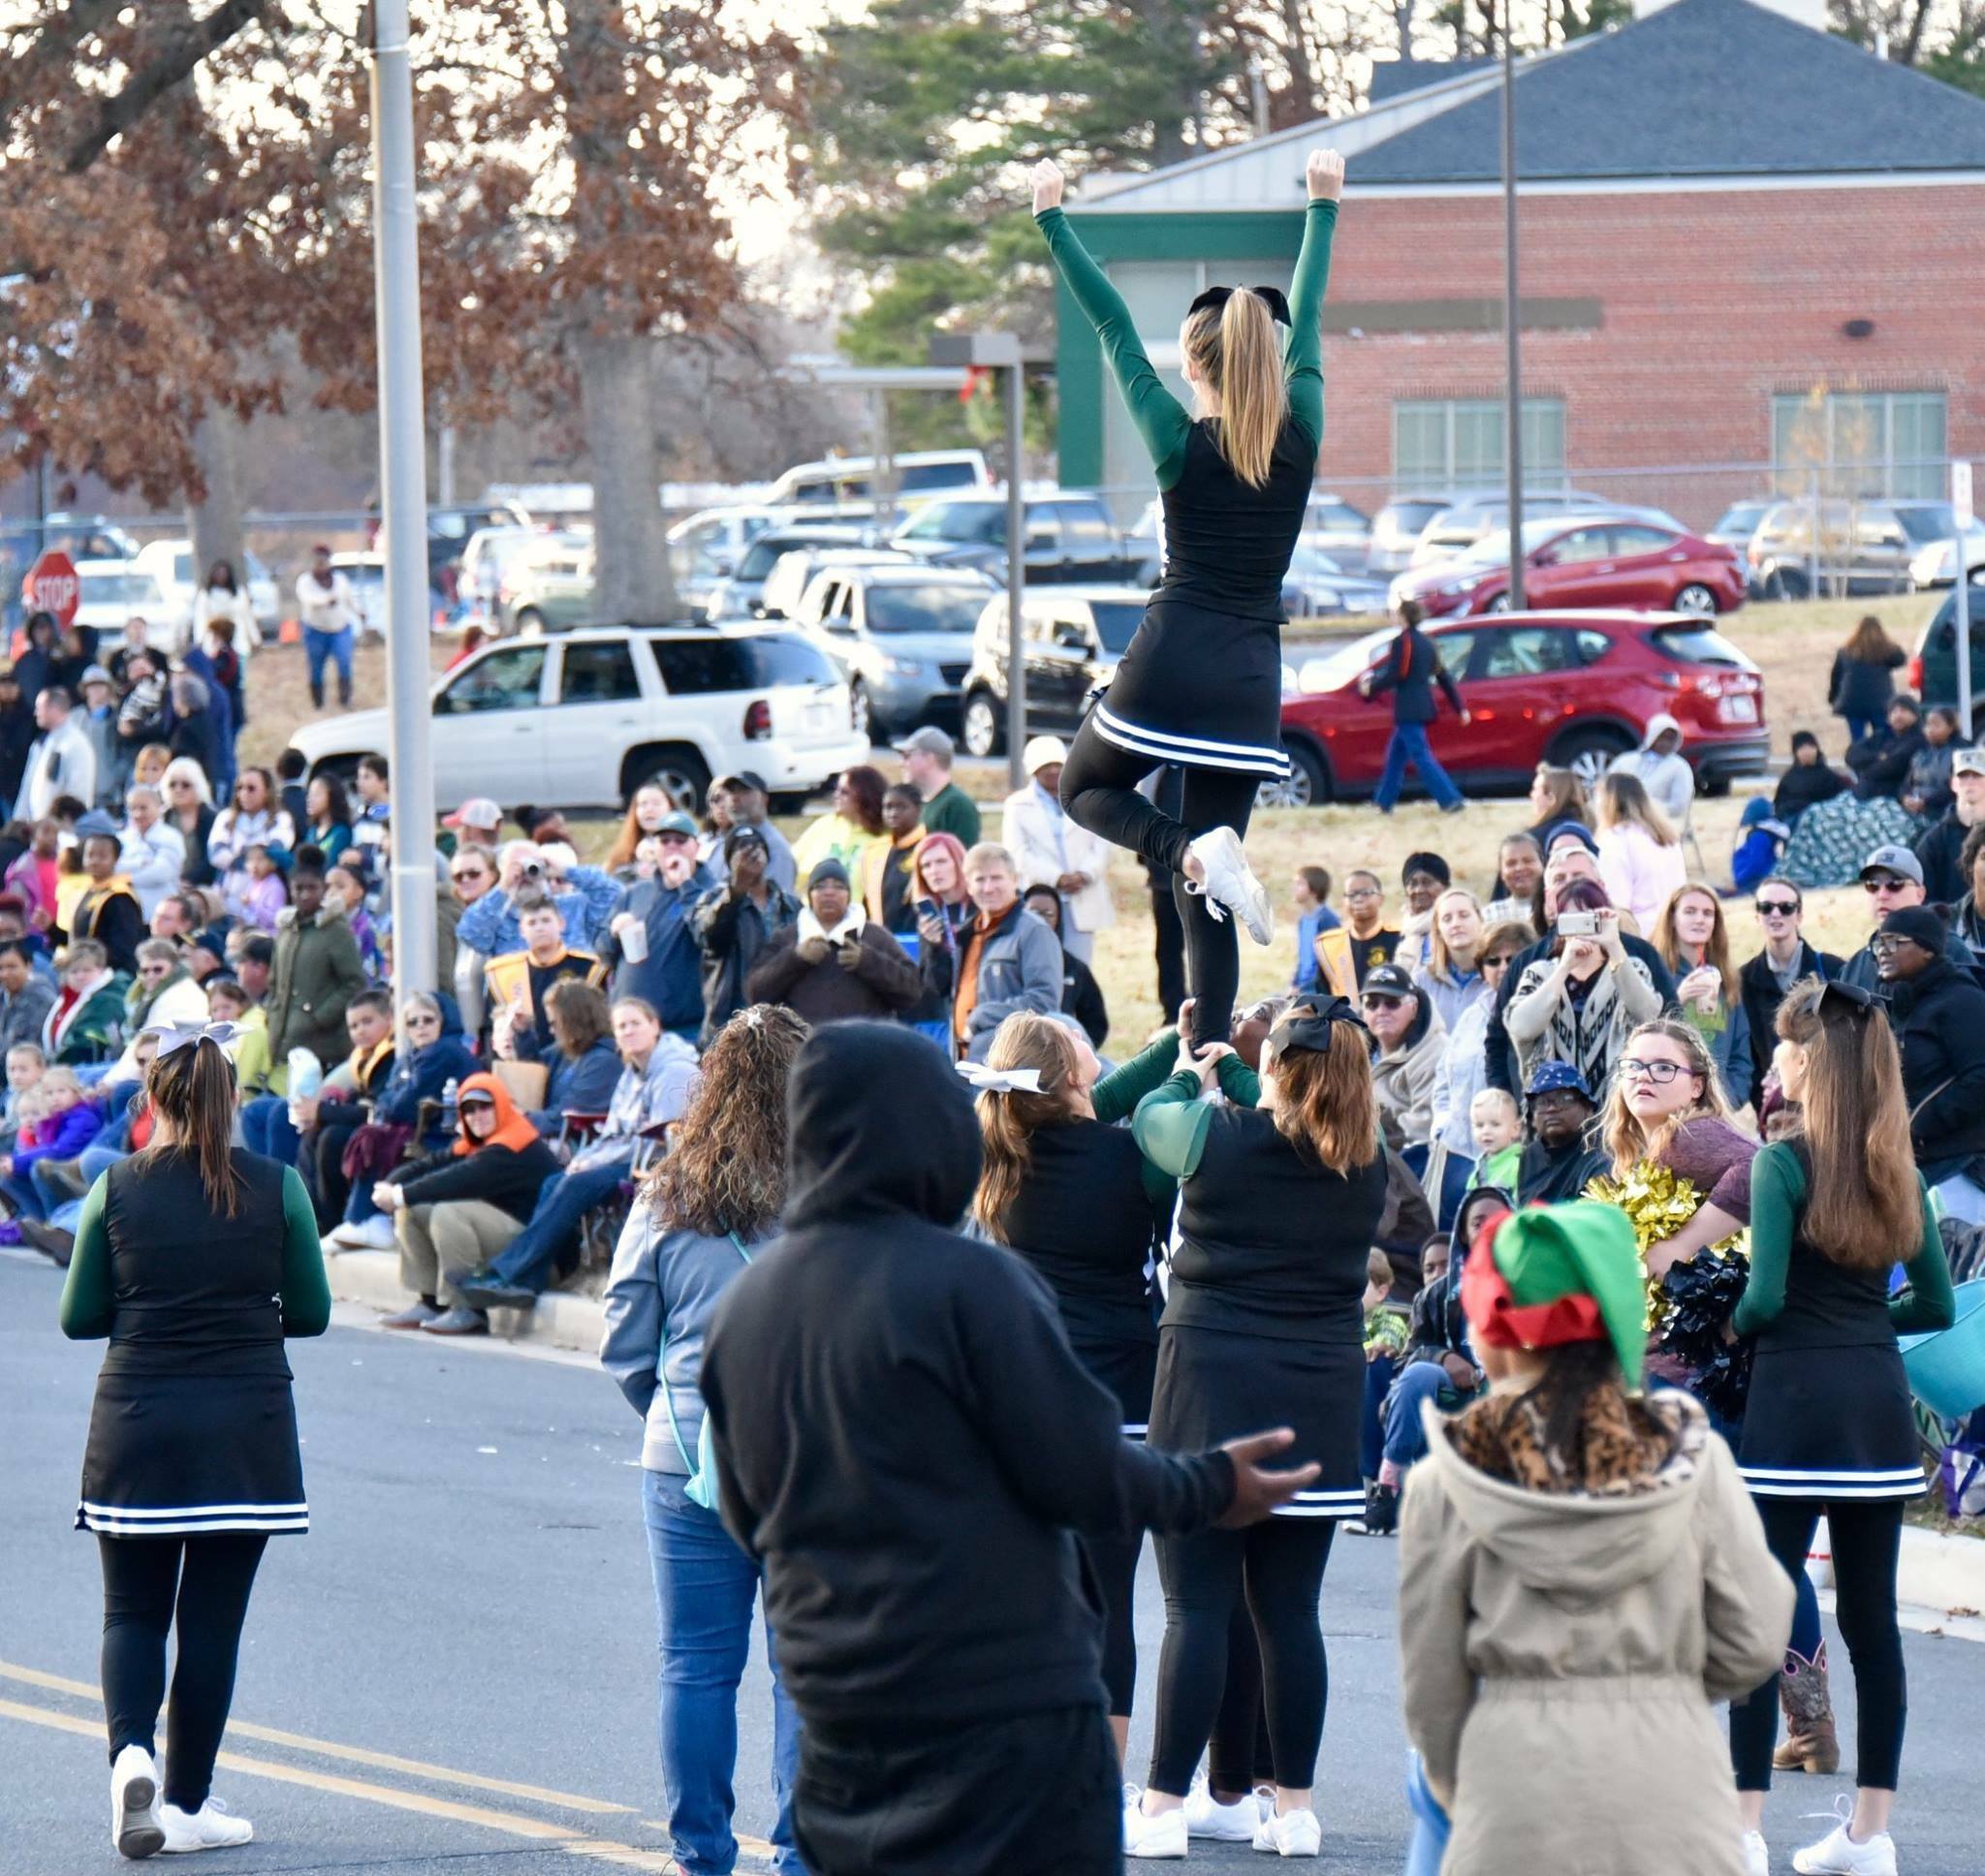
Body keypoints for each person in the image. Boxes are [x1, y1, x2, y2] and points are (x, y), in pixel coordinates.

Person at [699, 1020, 1313, 1876]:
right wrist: (1210, 1485)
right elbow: (1082, 1471)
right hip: (1003, 1728)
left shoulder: (750, 1306)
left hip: (844, 1728)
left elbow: (744, 1510)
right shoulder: (971, 1285)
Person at [1034, 148, 1341, 1048]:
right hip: (1249, 678)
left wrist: (1053, 218)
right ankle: (1209, 1053)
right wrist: (1322, 206)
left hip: (1168, 661)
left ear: (1196, 365)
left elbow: (1112, 327)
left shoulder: (1175, 440)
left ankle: (1182, 851)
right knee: (1218, 867)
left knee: (1090, 787)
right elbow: (1311, 309)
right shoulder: (1305, 434)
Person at [1400, 1201, 1792, 1876]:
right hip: (1677, 1797)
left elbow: (1433, 1690)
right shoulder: (1690, 1456)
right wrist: (1662, 1689)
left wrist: (1464, 1791)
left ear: (1494, 1329)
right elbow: (1755, 1636)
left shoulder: (1448, 1477)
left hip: (1512, 1800)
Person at [1123, 994, 1387, 1858]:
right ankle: (1296, 1810)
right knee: (1291, 1613)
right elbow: (1283, 1101)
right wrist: (1234, 1067)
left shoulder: (1213, 1136)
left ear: (1279, 1071)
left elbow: (1156, 1119)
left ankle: (1162, 1806)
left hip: (1209, 1391)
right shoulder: (1370, 1160)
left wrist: (1186, 1071)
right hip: (1315, 1396)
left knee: (1193, 1609)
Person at [59, 1021, 329, 1858]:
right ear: (232, 1099)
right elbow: (313, 1313)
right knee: (212, 1624)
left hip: (136, 1419)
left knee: (131, 1612)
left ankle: (131, 1754)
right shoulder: (278, 1184)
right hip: (245, 1430)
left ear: (151, 1100)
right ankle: (186, 1804)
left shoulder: (116, 1187)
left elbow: (78, 1317)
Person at [1728, 979, 1956, 1876]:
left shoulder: (1779, 1165)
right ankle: (1870, 1836)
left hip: (1791, 1412)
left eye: (1788, 1048)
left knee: (1757, 1614)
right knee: (1874, 1628)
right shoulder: (1902, 1172)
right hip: (1875, 1417)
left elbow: (1766, 1299)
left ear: (1811, 1065)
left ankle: (1744, 1829)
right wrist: (1865, 1328)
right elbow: (1935, 1301)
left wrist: (1729, 1323)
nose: (1776, 1060)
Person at [599, 1004, 811, 1876]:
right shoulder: (834, 1189)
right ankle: (804, 1852)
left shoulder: (668, 1193)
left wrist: (673, 1410)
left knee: (694, 1666)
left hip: (687, 1455)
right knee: (805, 1673)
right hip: (813, 1458)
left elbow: (624, 1335)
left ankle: (700, 1852)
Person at [968, 1013, 1170, 1761]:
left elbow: (1094, 1103)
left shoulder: (997, 1151)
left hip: (1021, 1396)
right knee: (1108, 1598)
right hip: (1118, 1392)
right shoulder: (1130, 1157)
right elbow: (1118, 1119)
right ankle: (1103, 1780)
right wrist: (1179, 1068)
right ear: (1074, 1077)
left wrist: (1166, 1050)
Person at [459, 998, 698, 1311]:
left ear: (655, 1026)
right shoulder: (632, 1071)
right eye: (621, 1026)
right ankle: (529, 1280)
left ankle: (508, 1270)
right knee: (555, 1181)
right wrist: (586, 1157)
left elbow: (665, 1137)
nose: (628, 1031)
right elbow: (614, 1130)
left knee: (577, 1184)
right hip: (624, 1155)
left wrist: (596, 1160)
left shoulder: (674, 1070)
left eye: (635, 1024)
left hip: (656, 1163)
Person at [373, 1073, 563, 1336]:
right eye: (469, 1110)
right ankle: (431, 1302)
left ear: (501, 1106)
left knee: (447, 1213)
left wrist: (398, 1195)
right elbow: (432, 1164)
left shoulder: (514, 1143)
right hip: (506, 1233)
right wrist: (391, 1184)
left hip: (536, 1251)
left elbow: (458, 1179)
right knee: (413, 1210)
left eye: (485, 1106)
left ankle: (469, 1308)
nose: (477, 1115)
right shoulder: (476, 1143)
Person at [1485, 844, 1678, 1095]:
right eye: (1559, 879)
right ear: (1550, 902)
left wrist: (1613, 945)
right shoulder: (1532, 966)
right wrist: (1564, 966)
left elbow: (1657, 1019)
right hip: (1552, 1111)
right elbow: (1511, 1031)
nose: (1568, 885)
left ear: (1601, 893)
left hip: (1619, 1108)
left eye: (1579, 879)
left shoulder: (1638, 958)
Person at [1873, 903, 1985, 1226]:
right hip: (1918, 1167)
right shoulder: (1902, 1004)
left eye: (1895, 941)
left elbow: (1980, 1078)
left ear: (1927, 950)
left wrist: (1918, 1125)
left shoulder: (1963, 1000)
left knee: (1960, 1273)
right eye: (1880, 942)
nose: (1883, 950)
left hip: (1965, 1169)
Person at [926, 842, 1063, 1063]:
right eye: (980, 879)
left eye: (997, 878)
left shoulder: (1034, 931)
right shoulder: (968, 933)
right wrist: (935, 949)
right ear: (969, 886)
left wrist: (980, 1016)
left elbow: (1044, 1002)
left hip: (1012, 1064)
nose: (988, 887)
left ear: (1015, 880)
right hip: (967, 1062)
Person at [745, 858, 922, 1028]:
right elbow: (755, 994)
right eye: (820, 886)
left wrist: (868, 961)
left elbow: (912, 991)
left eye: (838, 886)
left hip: (866, 1050)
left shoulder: (874, 936)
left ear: (849, 895)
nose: (829, 892)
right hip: (804, 1051)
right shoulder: (788, 938)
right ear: (810, 895)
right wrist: (795, 958)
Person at [1425, 920, 1531, 1196]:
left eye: (1513, 958)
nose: (1504, 967)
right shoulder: (1473, 1013)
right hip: (1459, 1151)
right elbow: (1443, 1075)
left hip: (1512, 1159)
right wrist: (1443, 1123)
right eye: (1493, 961)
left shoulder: (1540, 1012)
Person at [598, 810, 714, 1044]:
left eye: (680, 841)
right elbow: (602, 951)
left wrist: (685, 884)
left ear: (697, 847)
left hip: (682, 1030)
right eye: (664, 840)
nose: (672, 846)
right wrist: (614, 932)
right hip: (628, 1030)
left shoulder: (711, 893)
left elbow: (708, 936)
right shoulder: (637, 892)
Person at [1001, 735, 1114, 966]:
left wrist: (1084, 874)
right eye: (1045, 766)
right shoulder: (1016, 805)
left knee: (1079, 967)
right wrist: (1056, 878)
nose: (1053, 770)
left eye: (1057, 765)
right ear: (1033, 769)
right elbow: (1017, 853)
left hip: (1081, 897)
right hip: (1039, 895)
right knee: (1040, 962)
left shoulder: (1087, 798)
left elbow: (1102, 843)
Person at [1359, 599, 1470, 816]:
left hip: (1409, 708)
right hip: (1421, 706)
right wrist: (1460, 707)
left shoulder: (1403, 641)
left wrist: (1371, 688)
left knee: (1421, 756)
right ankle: (1384, 803)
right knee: (1395, 757)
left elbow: (1396, 673)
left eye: (1395, 613)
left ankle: (1450, 799)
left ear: (1403, 617)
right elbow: (1443, 676)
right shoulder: (1428, 643)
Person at [693, 826, 802, 1047]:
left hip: (783, 1023)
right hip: (731, 1025)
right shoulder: (712, 900)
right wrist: (735, 892)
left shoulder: (791, 905)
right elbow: (709, 938)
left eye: (756, 846)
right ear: (729, 861)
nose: (750, 853)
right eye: (741, 849)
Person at [1738, 880, 1842, 1109]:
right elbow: (1747, 1053)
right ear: (1757, 916)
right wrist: (1764, 1106)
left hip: (1826, 1100)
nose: (1776, 914)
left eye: (1786, 907)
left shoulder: (1833, 970)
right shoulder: (1742, 980)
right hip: (1774, 1102)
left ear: (1799, 916)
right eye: (1766, 907)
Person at [1654, 884, 1753, 1112]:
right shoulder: (1656, 971)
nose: (1700, 919)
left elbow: (1741, 1053)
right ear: (1672, 919)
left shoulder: (1727, 979)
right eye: (1690, 911)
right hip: (1667, 1107)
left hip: (1717, 1110)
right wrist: (1676, 999)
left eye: (1708, 913)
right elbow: (1643, 1037)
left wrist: (1728, 1099)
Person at [267, 860, 367, 1079]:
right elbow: (274, 982)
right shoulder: (286, 931)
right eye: (298, 888)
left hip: (324, 1047)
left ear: (323, 890)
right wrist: (272, 1013)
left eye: (311, 888)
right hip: (284, 1042)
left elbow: (354, 983)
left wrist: (319, 1018)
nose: (304, 894)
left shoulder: (336, 931)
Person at [1839, 844, 1982, 991]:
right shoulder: (1855, 965)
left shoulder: (1951, 951)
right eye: (1872, 886)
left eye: (1894, 885)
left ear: (1920, 894)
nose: (1882, 895)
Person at [1364, 962, 1446, 1156]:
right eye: (1372, 1004)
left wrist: (1365, 1137)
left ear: (1414, 1007)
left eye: (1392, 1002)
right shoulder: (1356, 1050)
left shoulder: (1435, 1052)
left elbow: (1424, 1124)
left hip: (1414, 1158)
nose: (1381, 1011)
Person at [1594, 770, 1688, 935]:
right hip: (1674, 929)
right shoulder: (1667, 836)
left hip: (1639, 934)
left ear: (1607, 802)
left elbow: (1617, 904)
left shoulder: (1614, 840)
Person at [1021, 884, 1110, 1047]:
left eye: (1049, 914)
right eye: (1033, 912)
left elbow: (1096, 1022)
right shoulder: (1008, 960)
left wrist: (1078, 1051)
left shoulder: (1074, 967)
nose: (1041, 920)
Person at [1514, 1060, 1609, 1205]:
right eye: (1542, 1101)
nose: (1551, 1108)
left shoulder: (1600, 1154)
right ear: (1532, 1118)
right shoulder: (1530, 1156)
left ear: (1588, 1109)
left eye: (1565, 1099)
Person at [67, 817, 145, 977]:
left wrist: (92, 965)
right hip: (84, 972)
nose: (94, 861)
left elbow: (123, 949)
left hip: (110, 976)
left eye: (102, 856)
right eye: (90, 855)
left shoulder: (120, 898)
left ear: (115, 860)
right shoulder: (86, 891)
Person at [789, 766, 890, 885]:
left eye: (844, 792)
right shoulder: (825, 824)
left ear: (865, 796)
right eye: (836, 789)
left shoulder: (886, 840)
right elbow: (790, 865)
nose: (836, 795)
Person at [1910, 744, 1985, 903]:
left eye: (1977, 775)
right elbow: (1922, 896)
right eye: (1963, 776)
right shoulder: (1934, 840)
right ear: (1953, 783)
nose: (1969, 782)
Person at [1413, 887, 1489, 1033]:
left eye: (1464, 915)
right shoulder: (1421, 982)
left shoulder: (1497, 974)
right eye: (1447, 919)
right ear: (1438, 930)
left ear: (1480, 920)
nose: (1456, 924)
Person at [1313, 867, 1400, 995]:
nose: (1358, 899)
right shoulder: (1329, 944)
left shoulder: (1398, 938)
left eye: (1366, 893)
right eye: (1352, 895)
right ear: (1344, 901)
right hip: (1342, 1014)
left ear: (1381, 899)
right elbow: (1323, 992)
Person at [709, 771, 797, 893]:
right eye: (731, 791)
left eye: (744, 791)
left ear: (764, 799)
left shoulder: (774, 848)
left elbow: (776, 905)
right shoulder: (724, 842)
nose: (735, 797)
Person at [44, 939, 128, 1066]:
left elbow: (87, 1042)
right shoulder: (66, 999)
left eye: (87, 970)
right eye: (74, 971)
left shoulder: (109, 1000)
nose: (80, 976)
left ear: (101, 968)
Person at [17, 687, 97, 821]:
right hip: (38, 827)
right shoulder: (41, 744)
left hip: (62, 828)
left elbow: (78, 793)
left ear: (53, 709)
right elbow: (27, 787)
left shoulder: (76, 744)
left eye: (39, 708)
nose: (36, 713)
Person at [296, 545, 360, 709]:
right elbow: (308, 599)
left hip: (340, 628)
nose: (321, 565)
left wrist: (359, 611)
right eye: (317, 562)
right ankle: (318, 702)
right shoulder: (305, 581)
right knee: (316, 667)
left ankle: (345, 699)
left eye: (324, 562)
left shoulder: (340, 580)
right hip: (315, 630)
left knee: (344, 661)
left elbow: (349, 599)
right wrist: (326, 600)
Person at [896, 726, 981, 847]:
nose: (902, 764)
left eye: (907, 756)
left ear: (929, 759)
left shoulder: (958, 805)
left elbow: (963, 859)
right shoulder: (918, 804)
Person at [1829, 613, 1906, 748]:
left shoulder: (1846, 651)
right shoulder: (1886, 651)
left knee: (1858, 742)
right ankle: (1884, 764)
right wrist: (1889, 642)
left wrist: (1833, 698)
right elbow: (1901, 659)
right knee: (1886, 739)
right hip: (1881, 702)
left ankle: (1860, 766)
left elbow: (1836, 676)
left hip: (1852, 702)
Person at [1607, 710, 1695, 828]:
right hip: (1623, 822)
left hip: (1660, 826)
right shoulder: (1626, 761)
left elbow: (1678, 806)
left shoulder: (1679, 767)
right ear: (1652, 736)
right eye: (1662, 737)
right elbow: (1607, 789)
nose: (1665, 743)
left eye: (1670, 738)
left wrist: (1645, 809)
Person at [861, 782, 928, 932]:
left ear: (917, 810)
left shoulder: (929, 846)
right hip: (882, 938)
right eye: (888, 807)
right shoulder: (874, 850)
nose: (893, 813)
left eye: (901, 807)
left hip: (918, 937)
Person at [117, 784, 186, 922]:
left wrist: (128, 879)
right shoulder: (121, 839)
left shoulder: (171, 836)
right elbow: (113, 867)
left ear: (158, 807)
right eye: (132, 809)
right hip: (128, 914)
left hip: (160, 914)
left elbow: (161, 873)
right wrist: (141, 863)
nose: (138, 814)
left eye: (143, 808)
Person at [1847, 694, 1927, 803]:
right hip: (1865, 794)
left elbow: (1892, 765)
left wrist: (1864, 769)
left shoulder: (1918, 740)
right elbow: (1852, 754)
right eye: (1894, 711)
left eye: (1903, 710)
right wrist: (1877, 757)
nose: (1898, 715)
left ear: (1915, 715)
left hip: (1892, 797)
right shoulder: (1882, 736)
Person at [1393, 851, 1452, 973]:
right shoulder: (1401, 931)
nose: (1419, 890)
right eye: (1412, 884)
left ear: (1446, 887)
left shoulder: (1452, 927)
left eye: (1427, 882)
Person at [1775, 730, 1849, 826]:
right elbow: (1780, 805)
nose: (1807, 752)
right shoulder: (1789, 778)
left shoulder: (1829, 776)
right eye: (1801, 748)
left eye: (1810, 747)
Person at [1290, 864, 1339, 992]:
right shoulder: (1303, 920)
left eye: (1300, 884)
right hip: (1302, 989)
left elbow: (1330, 962)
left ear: (1314, 889)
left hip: (1319, 992)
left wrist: (1303, 988)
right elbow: (1303, 958)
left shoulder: (1327, 920)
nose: (1294, 888)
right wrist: (1294, 984)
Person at [1481, 832, 1543, 931]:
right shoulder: (1489, 915)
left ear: (1542, 864)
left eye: (1528, 860)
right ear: (1501, 873)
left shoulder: (1556, 908)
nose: (1519, 868)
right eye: (1511, 863)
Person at [0, 939, 54, 1053]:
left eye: (12, 967)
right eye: (0, 968)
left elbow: (27, 1048)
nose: (4, 974)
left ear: (29, 966)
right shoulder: (3, 995)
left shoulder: (41, 999)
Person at [1525, 765, 1589, 853]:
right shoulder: (1591, 830)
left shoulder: (1536, 838)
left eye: (1535, 789)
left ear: (1551, 798)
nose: (1531, 795)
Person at [299, 772, 355, 868]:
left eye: (316, 794)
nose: (309, 799)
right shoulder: (312, 831)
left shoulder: (341, 832)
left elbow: (329, 865)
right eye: (309, 794)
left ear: (331, 796)